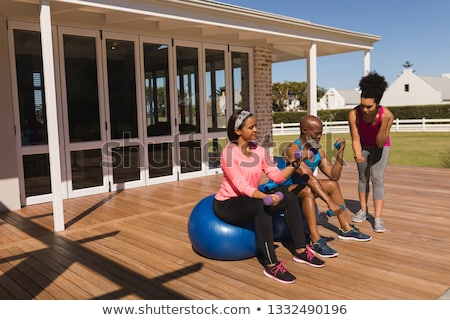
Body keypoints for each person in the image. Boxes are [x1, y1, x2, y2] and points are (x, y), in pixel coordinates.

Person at [213, 109, 325, 285]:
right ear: (237, 131)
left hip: (251, 198)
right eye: (251, 127)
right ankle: (271, 264)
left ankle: (301, 250)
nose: (256, 129)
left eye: (256, 125)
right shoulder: (229, 153)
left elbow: (277, 176)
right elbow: (242, 186)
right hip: (228, 204)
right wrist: (266, 196)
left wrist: (295, 164)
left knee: (289, 197)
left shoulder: (258, 151)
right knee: (261, 206)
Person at [262, 115, 371, 258]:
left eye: (321, 133)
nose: (319, 137)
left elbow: (333, 175)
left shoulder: (318, 152)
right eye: (316, 133)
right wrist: (329, 203)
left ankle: (346, 228)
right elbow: (308, 177)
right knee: (307, 189)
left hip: (300, 188)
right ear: (304, 130)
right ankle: (316, 241)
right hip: (279, 189)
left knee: (332, 185)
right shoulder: (292, 149)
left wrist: (340, 153)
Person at [348, 72, 393, 232]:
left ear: (377, 104)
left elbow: (380, 143)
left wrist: (383, 125)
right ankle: (362, 211)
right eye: (362, 105)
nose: (365, 110)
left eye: (369, 107)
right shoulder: (354, 114)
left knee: (377, 178)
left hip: (380, 146)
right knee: (362, 177)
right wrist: (358, 154)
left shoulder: (387, 115)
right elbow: (355, 138)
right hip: (363, 145)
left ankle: (378, 218)